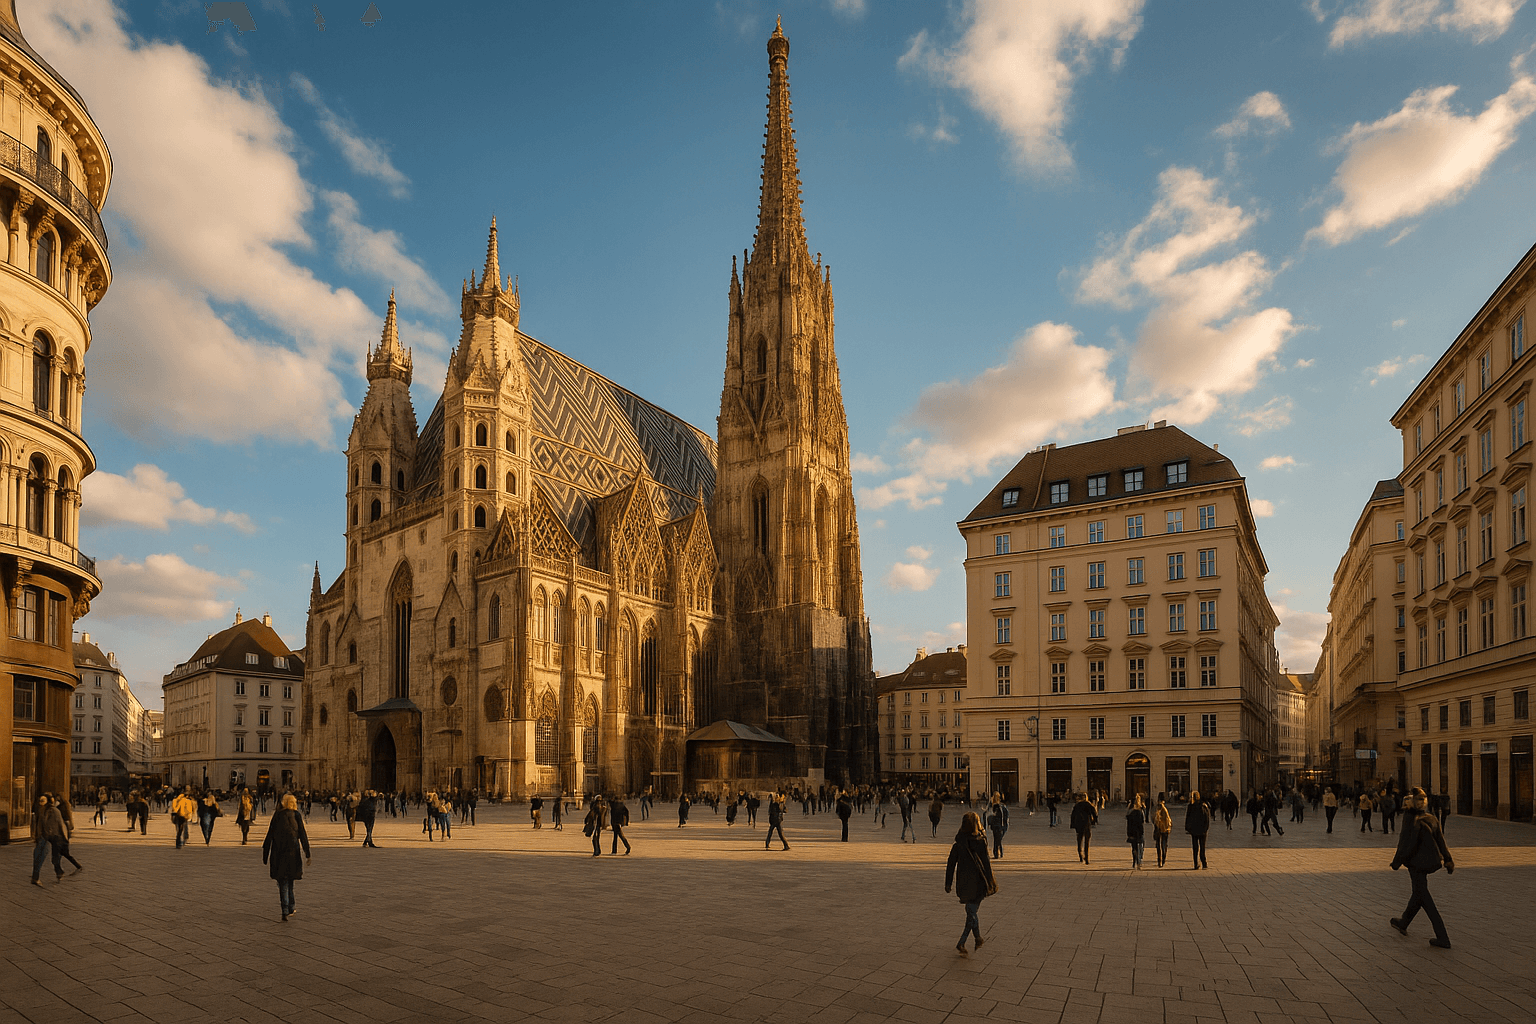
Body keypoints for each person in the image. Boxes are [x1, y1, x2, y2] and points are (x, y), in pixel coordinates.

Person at [1390, 787, 1454, 948]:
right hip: (1430, 863)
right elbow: (1441, 840)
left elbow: (1405, 842)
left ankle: (1443, 937)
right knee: (1418, 894)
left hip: (1416, 864)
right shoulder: (1431, 818)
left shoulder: (1411, 819)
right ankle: (1403, 922)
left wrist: (1397, 862)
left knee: (1425, 899)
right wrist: (1448, 859)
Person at [944, 811, 997, 957]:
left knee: (971, 911)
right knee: (971, 912)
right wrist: (991, 882)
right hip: (979, 882)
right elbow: (986, 863)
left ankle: (965, 941)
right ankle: (975, 938)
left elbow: (950, 864)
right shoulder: (980, 841)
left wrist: (948, 883)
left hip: (964, 883)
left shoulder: (958, 844)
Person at [261, 794, 311, 922]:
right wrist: (307, 853)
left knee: (283, 881)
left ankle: (285, 909)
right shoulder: (296, 815)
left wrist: (265, 853)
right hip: (293, 853)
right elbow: (303, 835)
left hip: (278, 853)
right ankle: (291, 906)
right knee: (290, 881)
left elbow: (269, 835)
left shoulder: (277, 816)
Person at [1185, 790, 1211, 869]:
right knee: (1202, 847)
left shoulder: (1190, 806)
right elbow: (1207, 818)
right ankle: (1204, 863)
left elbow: (1187, 818)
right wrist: (1206, 828)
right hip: (1202, 830)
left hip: (1194, 830)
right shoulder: (1203, 806)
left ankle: (1196, 863)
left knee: (1195, 848)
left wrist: (1187, 828)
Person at [1070, 793, 1098, 864]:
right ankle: (1087, 856)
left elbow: (1073, 816)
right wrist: (1094, 821)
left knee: (1079, 840)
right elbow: (1095, 813)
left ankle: (1080, 854)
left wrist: (1073, 825)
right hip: (1087, 824)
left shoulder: (1077, 805)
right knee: (1087, 841)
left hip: (1079, 824)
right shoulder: (1089, 804)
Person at [1151, 792, 1172, 868]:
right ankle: (1163, 858)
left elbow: (1152, 817)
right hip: (1165, 829)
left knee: (1158, 844)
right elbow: (1168, 819)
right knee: (1164, 844)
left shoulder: (1156, 807)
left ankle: (1159, 859)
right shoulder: (1164, 808)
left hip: (1157, 828)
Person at [1126, 795, 1146, 869]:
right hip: (1139, 832)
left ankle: (1134, 861)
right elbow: (1142, 822)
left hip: (1131, 831)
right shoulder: (1140, 811)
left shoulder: (1129, 811)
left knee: (1134, 847)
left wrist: (1128, 833)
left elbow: (1128, 823)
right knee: (1141, 846)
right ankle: (1139, 861)